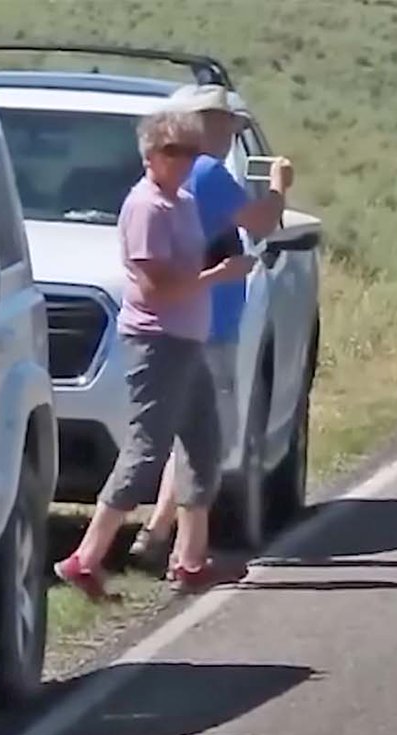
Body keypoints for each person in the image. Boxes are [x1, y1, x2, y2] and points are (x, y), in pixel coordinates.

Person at [53, 109, 255, 599]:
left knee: (204, 446)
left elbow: (187, 264)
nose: (183, 160)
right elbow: (154, 286)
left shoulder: (182, 201)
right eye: (172, 151)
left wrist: (216, 268)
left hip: (189, 339)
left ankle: (190, 560)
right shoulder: (145, 207)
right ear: (149, 156)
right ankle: (84, 557)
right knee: (146, 451)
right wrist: (217, 277)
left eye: (190, 151)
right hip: (155, 342)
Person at [125, 84, 294, 573]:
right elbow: (262, 222)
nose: (228, 135)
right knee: (202, 436)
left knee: (183, 432)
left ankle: (160, 534)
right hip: (209, 319)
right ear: (204, 125)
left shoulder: (168, 180)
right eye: (224, 125)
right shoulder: (209, 173)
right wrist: (281, 186)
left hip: (173, 318)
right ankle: (176, 548)